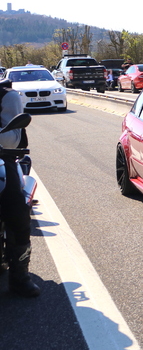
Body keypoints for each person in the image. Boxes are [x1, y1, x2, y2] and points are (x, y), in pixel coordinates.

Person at [0, 79, 40, 297]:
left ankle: (19, 276)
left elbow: (11, 140)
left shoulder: (7, 96)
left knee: (16, 206)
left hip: (2, 158)